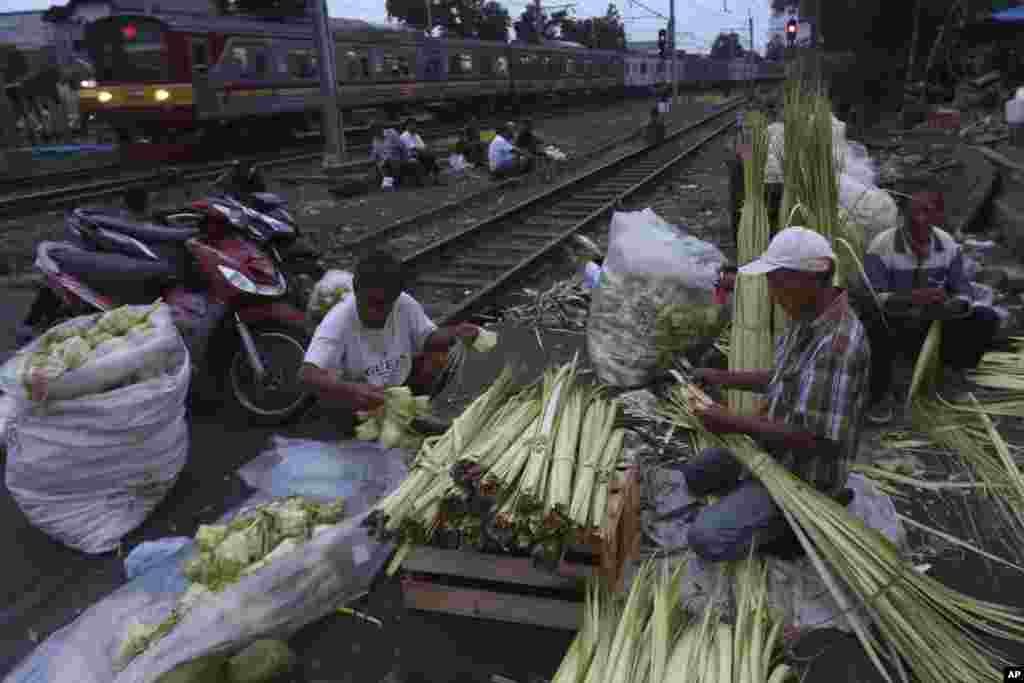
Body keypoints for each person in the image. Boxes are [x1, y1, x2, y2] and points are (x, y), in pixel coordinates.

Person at [683, 227, 871, 562]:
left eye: (777, 282)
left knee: (705, 539)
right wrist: (724, 377)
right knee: (695, 475)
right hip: (771, 447)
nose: (771, 293)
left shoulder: (839, 345)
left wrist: (734, 423)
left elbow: (815, 440)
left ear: (808, 279)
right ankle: (753, 499)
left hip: (803, 475)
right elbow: (782, 377)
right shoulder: (806, 315)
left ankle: (799, 526)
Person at [861, 187, 1001, 424]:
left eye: (928, 212)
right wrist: (913, 298)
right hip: (895, 324)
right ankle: (879, 393)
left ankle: (951, 375)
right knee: (871, 321)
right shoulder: (881, 246)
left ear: (939, 215)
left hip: (932, 325)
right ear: (902, 215)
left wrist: (953, 305)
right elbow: (874, 296)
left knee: (986, 317)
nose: (920, 219)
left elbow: (964, 291)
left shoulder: (947, 246)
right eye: (913, 212)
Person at [297, 249, 482, 426]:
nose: (376, 313)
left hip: (394, 393)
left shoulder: (404, 303)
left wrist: (456, 333)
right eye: (370, 303)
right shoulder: (338, 320)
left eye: (384, 305)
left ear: (395, 296)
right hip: (353, 405)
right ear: (356, 290)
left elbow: (427, 338)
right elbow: (307, 375)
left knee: (438, 358)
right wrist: (350, 389)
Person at [369, 122, 412, 190]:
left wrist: (406, 157)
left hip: (396, 158)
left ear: (380, 129)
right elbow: (374, 153)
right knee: (380, 165)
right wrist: (371, 160)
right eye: (373, 131)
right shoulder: (375, 139)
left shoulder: (391, 132)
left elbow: (402, 146)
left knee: (389, 162)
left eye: (375, 130)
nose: (374, 133)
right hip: (384, 162)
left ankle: (393, 184)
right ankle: (388, 186)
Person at [399, 118, 442, 185]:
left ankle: (435, 180)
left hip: (419, 154)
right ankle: (421, 180)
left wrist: (426, 151)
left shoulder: (416, 135)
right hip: (408, 156)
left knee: (432, 158)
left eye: (414, 124)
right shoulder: (404, 136)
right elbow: (413, 148)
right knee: (429, 157)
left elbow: (423, 146)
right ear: (407, 126)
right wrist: (424, 151)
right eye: (412, 124)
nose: (414, 126)